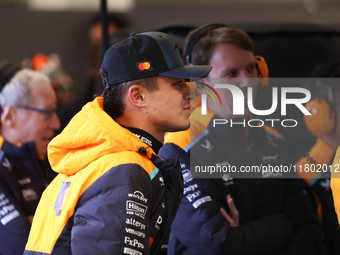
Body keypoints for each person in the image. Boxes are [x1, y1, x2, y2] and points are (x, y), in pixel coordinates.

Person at [24, 31, 212, 255]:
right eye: (177, 83)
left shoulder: (100, 159)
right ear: (138, 96)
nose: (188, 92)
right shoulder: (123, 169)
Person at [158, 24, 322, 255]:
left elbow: (310, 230)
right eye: (232, 74)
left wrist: (242, 235)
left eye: (251, 68)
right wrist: (279, 225)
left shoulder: (273, 140)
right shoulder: (178, 147)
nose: (248, 82)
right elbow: (217, 243)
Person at [0, 63, 61, 255]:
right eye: (47, 113)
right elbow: (22, 248)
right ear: (9, 116)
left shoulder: (49, 160)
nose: (56, 123)